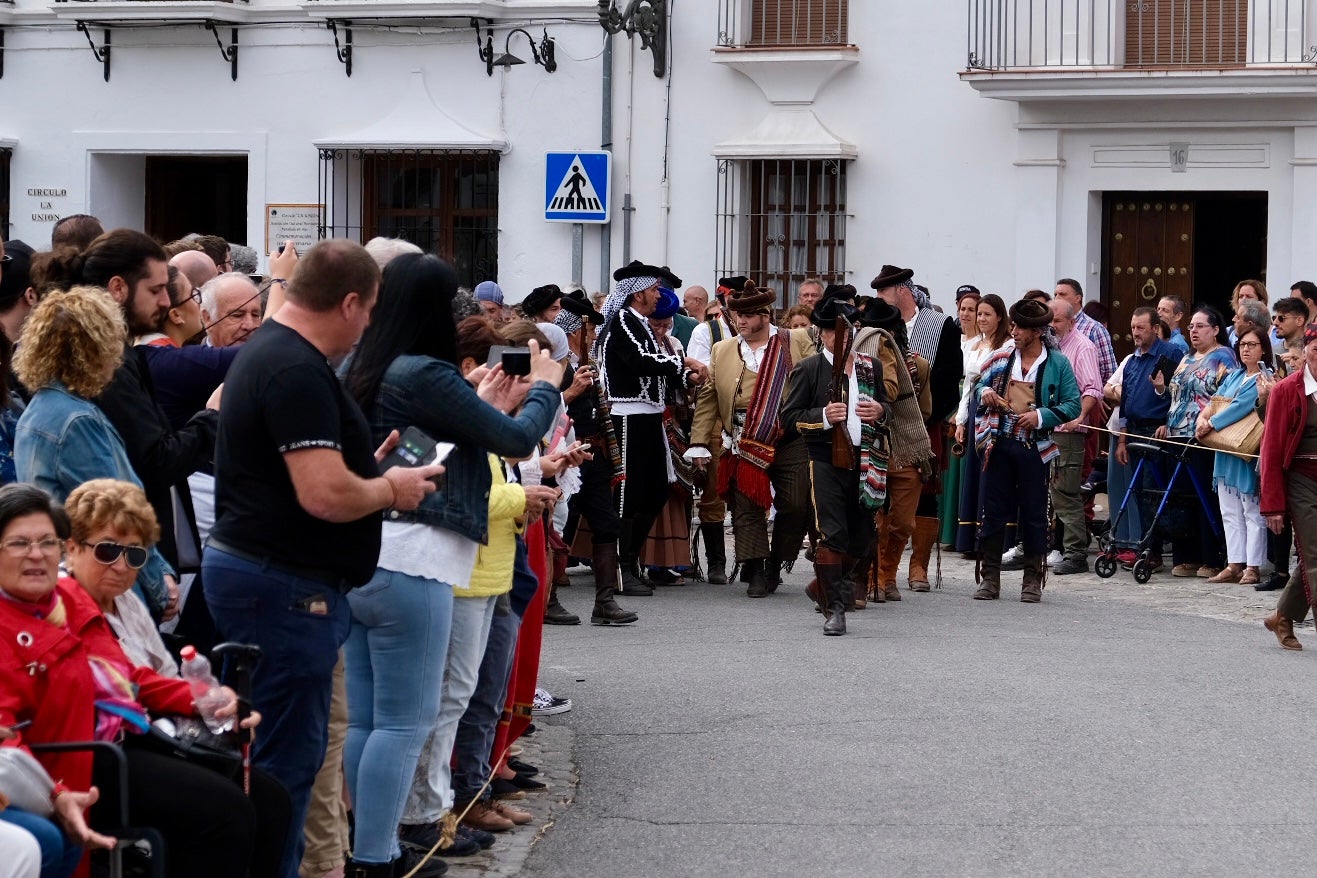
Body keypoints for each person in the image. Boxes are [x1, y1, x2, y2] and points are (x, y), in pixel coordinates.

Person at [202, 239, 445, 878]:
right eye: (368, 312)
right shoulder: (293, 367)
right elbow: (324, 495)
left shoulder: (281, 357)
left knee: (297, 754)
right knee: (286, 762)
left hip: (279, 577)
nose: (368, 327)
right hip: (282, 584)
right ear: (348, 303)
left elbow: (317, 473)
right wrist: (391, 487)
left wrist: (366, 458)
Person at [0, 483, 270, 878]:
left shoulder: (66, 601)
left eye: (46, 542)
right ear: (75, 549)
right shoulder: (31, 614)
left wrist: (207, 700)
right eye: (20, 543)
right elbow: (7, 739)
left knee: (268, 799)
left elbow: (128, 678)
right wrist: (56, 794)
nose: (38, 554)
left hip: (106, 751)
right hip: (69, 769)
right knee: (225, 812)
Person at [12, 288, 178, 617]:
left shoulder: (38, 412)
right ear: (96, 348)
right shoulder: (77, 421)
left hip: (74, 587)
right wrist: (161, 586)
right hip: (105, 593)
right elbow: (116, 518)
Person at [686, 283, 816, 597]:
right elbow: (709, 399)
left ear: (764, 314)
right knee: (746, 508)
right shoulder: (723, 349)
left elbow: (817, 378)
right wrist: (700, 441)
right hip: (743, 439)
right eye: (736, 315)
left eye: (746, 315)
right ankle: (755, 568)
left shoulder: (795, 341)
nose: (740, 321)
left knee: (797, 506)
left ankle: (777, 563)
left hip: (790, 437)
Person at [596, 261, 706, 595]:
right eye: (655, 289)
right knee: (628, 495)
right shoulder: (624, 322)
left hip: (649, 416)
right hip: (628, 416)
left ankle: (630, 560)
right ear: (639, 292)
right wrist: (682, 365)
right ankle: (619, 568)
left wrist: (685, 376)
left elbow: (654, 361)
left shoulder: (639, 323)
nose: (659, 294)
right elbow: (641, 359)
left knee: (657, 489)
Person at [782, 297, 886, 635]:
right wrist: (823, 417)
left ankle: (821, 586)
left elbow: (886, 406)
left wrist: (880, 412)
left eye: (847, 331)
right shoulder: (809, 368)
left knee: (863, 538)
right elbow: (790, 417)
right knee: (832, 533)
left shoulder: (871, 366)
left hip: (866, 458)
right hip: (824, 459)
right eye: (833, 333)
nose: (840, 339)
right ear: (822, 334)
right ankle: (836, 608)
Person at [970, 298, 1081, 602]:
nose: (1014, 330)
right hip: (1000, 444)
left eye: (1020, 327)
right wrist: (987, 392)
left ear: (1036, 331)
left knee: (1034, 514)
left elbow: (1073, 404)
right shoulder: (1002, 356)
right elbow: (978, 384)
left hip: (1034, 448)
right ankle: (989, 577)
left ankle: (1032, 579)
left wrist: (1041, 416)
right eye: (1014, 325)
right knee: (992, 511)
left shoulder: (1057, 363)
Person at [870, 265, 960, 592]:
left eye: (883, 291)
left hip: (924, 420)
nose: (879, 298)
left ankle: (918, 564)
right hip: (878, 424)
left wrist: (926, 416)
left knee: (924, 493)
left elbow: (952, 376)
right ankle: (879, 570)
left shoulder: (939, 324)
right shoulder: (874, 325)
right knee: (876, 493)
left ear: (901, 290)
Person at [855, 297, 932, 606]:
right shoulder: (855, 362)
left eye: (885, 335)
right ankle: (874, 576)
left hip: (905, 447)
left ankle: (889, 572)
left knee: (902, 521)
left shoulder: (920, 366)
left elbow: (924, 409)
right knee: (873, 517)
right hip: (869, 444)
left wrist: (900, 424)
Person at [1155, 306, 1235, 578]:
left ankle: (1211, 556)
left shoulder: (1224, 356)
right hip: (1176, 433)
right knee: (1180, 496)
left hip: (1202, 436)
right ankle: (1185, 555)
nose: (1194, 331)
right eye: (1191, 327)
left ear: (1215, 329)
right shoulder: (1187, 357)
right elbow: (1178, 395)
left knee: (1203, 496)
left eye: (1200, 326)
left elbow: (1225, 397)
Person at [1195, 328, 1272, 584]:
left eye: (1252, 344)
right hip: (1225, 447)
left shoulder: (1264, 377)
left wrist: (1212, 423)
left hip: (1244, 447)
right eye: (1242, 344)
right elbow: (1216, 399)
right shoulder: (1234, 375)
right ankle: (1234, 562)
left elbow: (1241, 406)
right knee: (1228, 509)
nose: (1246, 349)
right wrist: (1202, 417)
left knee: (1251, 508)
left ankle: (1253, 565)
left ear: (1264, 348)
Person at [1260, 323, 1317, 651]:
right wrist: (1273, 504)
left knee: (1312, 556)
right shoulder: (1286, 391)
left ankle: (1282, 615)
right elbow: (1271, 450)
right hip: (1300, 478)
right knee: (1313, 553)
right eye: (1315, 349)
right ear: (1305, 351)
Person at [1047, 299, 1102, 575]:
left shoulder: (1083, 347)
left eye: (1057, 321)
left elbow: (1092, 389)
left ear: (1071, 321)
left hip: (1068, 433)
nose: (1052, 325)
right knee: (1052, 494)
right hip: (1046, 428)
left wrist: (1079, 418)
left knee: (1066, 493)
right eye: (1050, 320)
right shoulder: (1049, 346)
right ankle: (1054, 547)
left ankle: (1076, 552)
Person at [954, 294, 1011, 554]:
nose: (981, 318)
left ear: (1000, 316)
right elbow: (968, 385)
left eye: (987, 314)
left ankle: (993, 538)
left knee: (992, 473)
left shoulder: (1007, 346)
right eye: (980, 314)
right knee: (975, 472)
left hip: (995, 411)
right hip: (976, 407)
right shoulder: (976, 344)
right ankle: (971, 538)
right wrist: (961, 420)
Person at [200, 273, 264, 348]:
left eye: (255, 315)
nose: (250, 325)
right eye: (237, 315)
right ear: (208, 318)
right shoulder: (189, 358)